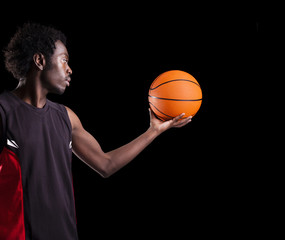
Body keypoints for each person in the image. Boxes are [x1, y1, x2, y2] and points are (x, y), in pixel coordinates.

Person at [0, 22, 191, 240]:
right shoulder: (4, 111)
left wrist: (153, 131)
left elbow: (105, 164)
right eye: (64, 60)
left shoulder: (66, 117)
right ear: (40, 60)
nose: (70, 69)